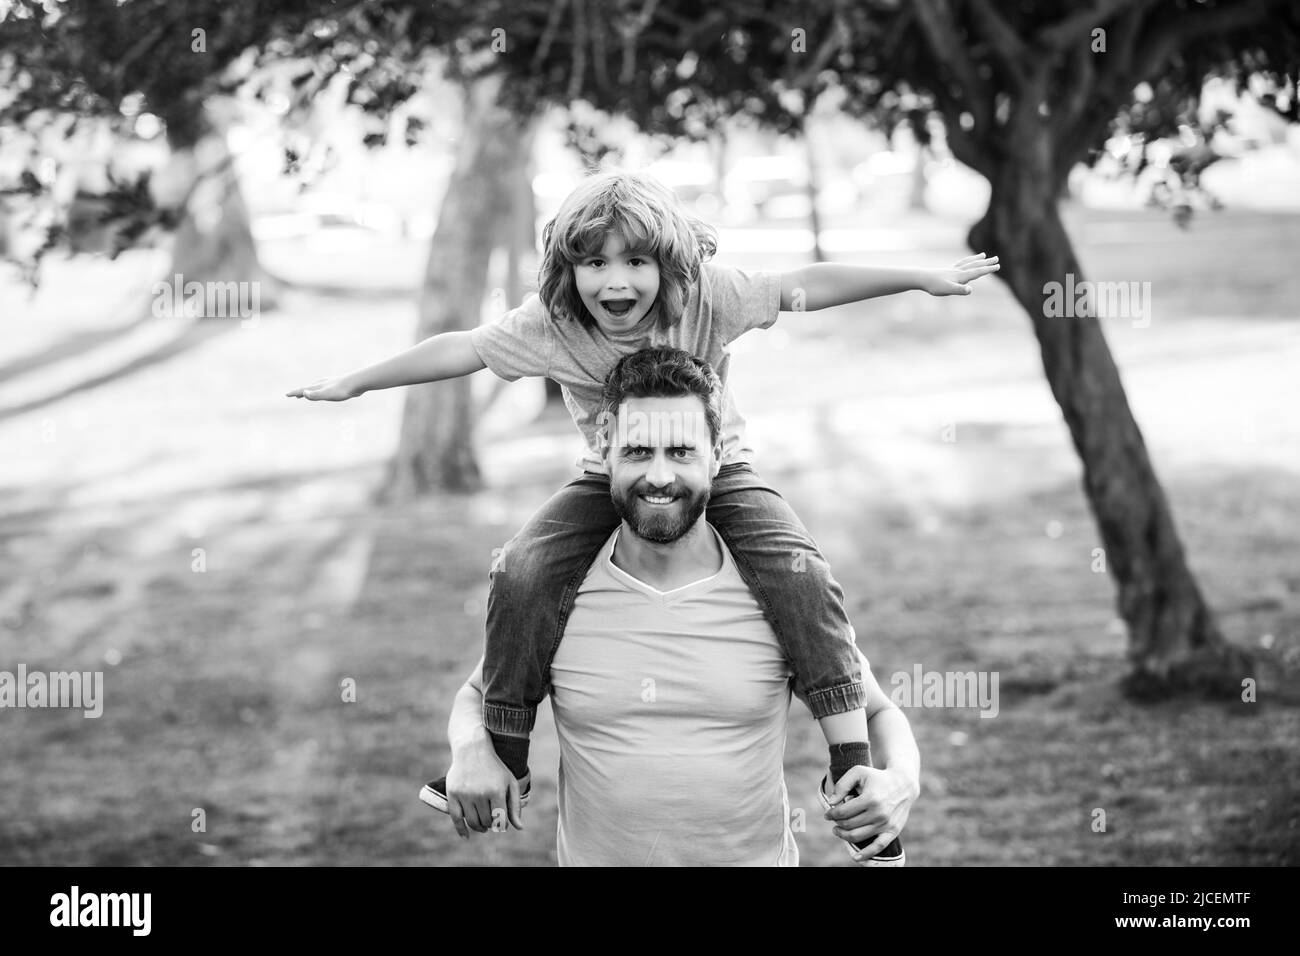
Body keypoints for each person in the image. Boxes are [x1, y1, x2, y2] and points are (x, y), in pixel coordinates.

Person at [285, 170, 991, 851]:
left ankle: (851, 765)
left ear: (671, 264)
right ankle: (506, 751)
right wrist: (358, 382)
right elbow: (462, 351)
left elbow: (808, 284)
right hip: (607, 477)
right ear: (568, 270)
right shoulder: (553, 326)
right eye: (593, 262)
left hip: (722, 470)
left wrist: (919, 276)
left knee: (800, 572)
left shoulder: (710, 298)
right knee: (524, 568)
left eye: (635, 261)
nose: (614, 282)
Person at [441, 348, 921, 865]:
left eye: (681, 452)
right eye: (638, 452)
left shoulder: (779, 590)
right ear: (604, 453)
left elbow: (875, 708)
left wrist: (901, 780)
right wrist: (470, 749)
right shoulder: (556, 593)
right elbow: (478, 693)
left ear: (718, 455)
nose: (660, 476)